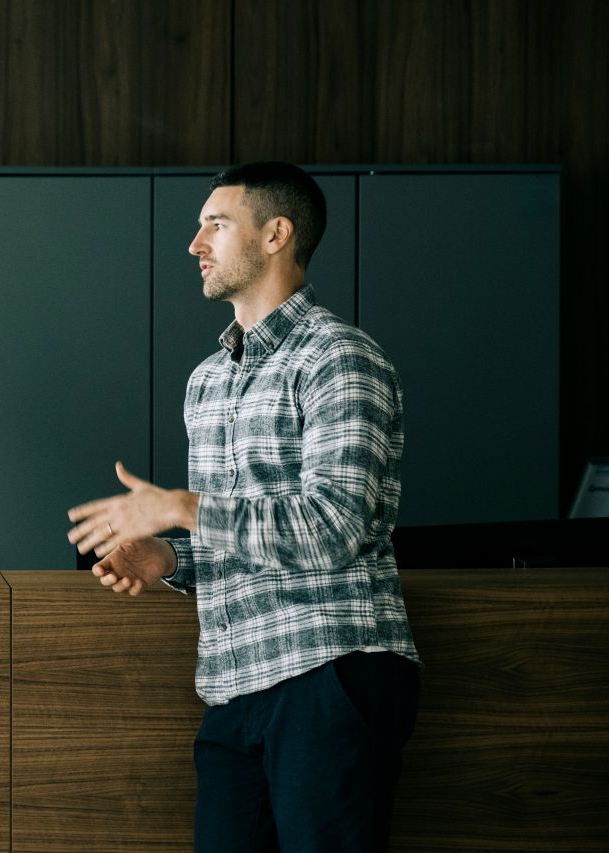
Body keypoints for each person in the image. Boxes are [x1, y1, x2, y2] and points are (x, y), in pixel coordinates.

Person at [66, 162, 420, 852]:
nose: (195, 243)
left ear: (276, 234)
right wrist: (167, 555)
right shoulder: (207, 382)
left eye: (216, 224)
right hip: (233, 683)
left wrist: (179, 506)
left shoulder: (338, 356)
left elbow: (333, 527)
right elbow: (241, 537)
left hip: (328, 668)